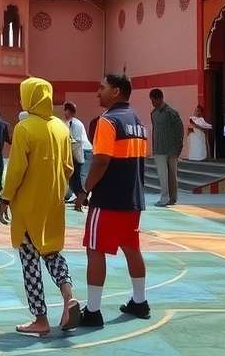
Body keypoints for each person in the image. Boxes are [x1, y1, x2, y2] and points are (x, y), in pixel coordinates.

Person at [0, 77, 80, 336]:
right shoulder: (60, 127)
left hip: (28, 205)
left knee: (30, 262)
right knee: (53, 252)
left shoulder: (24, 128)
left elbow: (16, 170)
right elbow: (68, 167)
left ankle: (40, 319)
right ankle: (69, 297)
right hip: (54, 202)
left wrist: (5, 198)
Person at [76, 74, 150, 327]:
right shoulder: (138, 122)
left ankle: (93, 311)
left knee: (95, 250)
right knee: (132, 248)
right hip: (133, 199)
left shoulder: (108, 121)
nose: (98, 93)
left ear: (116, 91)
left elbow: (101, 160)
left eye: (102, 88)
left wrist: (86, 188)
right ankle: (139, 302)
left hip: (108, 199)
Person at [149, 88, 184, 207]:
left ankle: (173, 198)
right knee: (163, 175)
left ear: (160, 98)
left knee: (172, 175)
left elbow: (179, 131)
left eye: (154, 100)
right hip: (159, 149)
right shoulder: (153, 113)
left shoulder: (171, 113)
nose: (152, 103)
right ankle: (164, 197)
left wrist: (179, 147)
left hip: (171, 149)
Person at [63, 102, 92, 208]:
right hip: (78, 151)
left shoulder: (74, 123)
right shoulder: (70, 122)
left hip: (83, 151)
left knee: (80, 177)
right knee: (74, 177)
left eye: (66, 110)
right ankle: (80, 198)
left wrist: (78, 159)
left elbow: (76, 142)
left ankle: (82, 199)